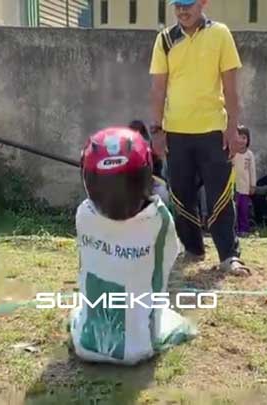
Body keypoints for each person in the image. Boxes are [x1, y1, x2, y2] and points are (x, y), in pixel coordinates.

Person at [70, 127, 196, 365]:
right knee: (173, 319)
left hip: (86, 344)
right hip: (140, 348)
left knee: (79, 309)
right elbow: (168, 261)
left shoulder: (83, 215)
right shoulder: (158, 218)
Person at [149, 0, 250, 276]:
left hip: (213, 131)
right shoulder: (165, 40)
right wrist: (156, 131)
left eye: (188, 4)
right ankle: (192, 249)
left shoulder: (220, 33)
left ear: (203, 3)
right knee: (181, 195)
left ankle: (229, 255)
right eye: (177, 5)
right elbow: (158, 89)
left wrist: (232, 128)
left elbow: (231, 88)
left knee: (220, 196)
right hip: (176, 132)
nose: (183, 10)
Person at [232, 125, 256, 236]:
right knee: (234, 209)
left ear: (248, 140)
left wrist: (252, 185)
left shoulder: (249, 155)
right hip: (234, 187)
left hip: (245, 187)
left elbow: (252, 170)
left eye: (244, 138)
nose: (241, 140)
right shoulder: (232, 153)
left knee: (244, 210)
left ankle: (244, 229)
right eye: (238, 137)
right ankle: (234, 229)